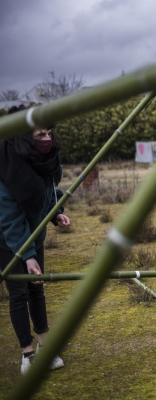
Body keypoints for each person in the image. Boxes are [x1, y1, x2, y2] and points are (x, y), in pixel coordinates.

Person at [0, 105, 71, 374]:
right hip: (7, 240)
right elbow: (9, 217)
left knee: (37, 288)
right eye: (40, 134)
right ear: (24, 138)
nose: (47, 139)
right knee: (19, 293)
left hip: (35, 234)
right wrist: (27, 256)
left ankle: (45, 348)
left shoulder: (47, 160)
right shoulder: (8, 167)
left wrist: (56, 214)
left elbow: (48, 193)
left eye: (49, 132)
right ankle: (27, 355)